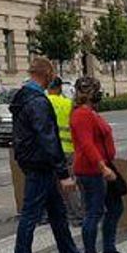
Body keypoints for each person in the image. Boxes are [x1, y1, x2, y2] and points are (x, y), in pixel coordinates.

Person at [10, 56, 102, 253]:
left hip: (35, 163)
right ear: (47, 74)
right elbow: (48, 138)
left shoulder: (22, 97)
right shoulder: (38, 102)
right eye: (51, 73)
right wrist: (62, 173)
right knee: (30, 215)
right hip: (41, 165)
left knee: (58, 213)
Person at [70, 76, 127, 253]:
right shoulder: (82, 114)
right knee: (94, 212)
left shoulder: (91, 113)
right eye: (97, 91)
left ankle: (109, 249)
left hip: (103, 166)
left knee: (115, 207)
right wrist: (102, 167)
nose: (100, 94)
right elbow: (87, 144)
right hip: (91, 170)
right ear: (89, 94)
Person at [47, 76, 82, 222]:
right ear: (60, 88)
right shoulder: (68, 104)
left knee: (52, 183)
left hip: (50, 149)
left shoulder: (45, 102)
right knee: (69, 182)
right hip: (68, 148)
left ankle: (57, 213)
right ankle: (76, 214)